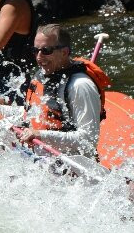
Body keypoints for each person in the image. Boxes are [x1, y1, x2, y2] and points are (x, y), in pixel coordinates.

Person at [18, 24, 110, 158]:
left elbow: (88, 140)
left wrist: (41, 135)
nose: (38, 57)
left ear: (64, 52)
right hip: (40, 158)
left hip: (70, 166)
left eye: (46, 50)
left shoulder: (80, 86)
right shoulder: (44, 76)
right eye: (35, 50)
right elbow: (33, 113)